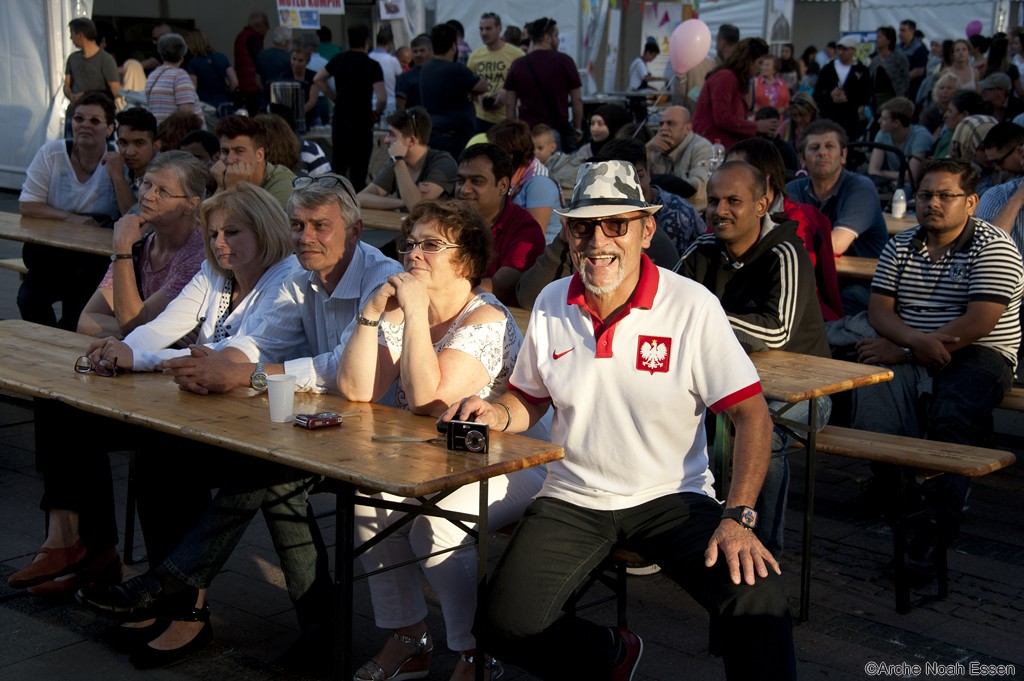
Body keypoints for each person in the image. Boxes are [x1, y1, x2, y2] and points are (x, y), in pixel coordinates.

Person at [443, 159, 797, 680]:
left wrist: (739, 515)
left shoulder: (690, 305)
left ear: (646, 231)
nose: (598, 241)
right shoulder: (552, 301)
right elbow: (530, 397)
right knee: (501, 626)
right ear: (568, 233)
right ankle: (611, 653)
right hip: (573, 496)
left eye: (616, 224)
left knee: (757, 600)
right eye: (583, 227)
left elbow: (753, 416)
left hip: (672, 497)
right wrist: (497, 412)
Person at [337, 199, 546, 681]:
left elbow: (427, 400)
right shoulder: (406, 311)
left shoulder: (486, 319)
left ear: (466, 262)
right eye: (410, 243)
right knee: (371, 497)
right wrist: (371, 312)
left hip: (518, 460)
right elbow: (356, 389)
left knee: (437, 524)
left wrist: (411, 312)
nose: (413, 254)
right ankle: (408, 638)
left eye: (431, 245)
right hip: (441, 459)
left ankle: (476, 653)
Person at [850, 159, 1023, 575]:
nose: (933, 203)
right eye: (926, 195)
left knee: (953, 412)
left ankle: (935, 528)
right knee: (864, 387)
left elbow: (979, 322)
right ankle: (895, 487)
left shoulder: (996, 246)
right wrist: (910, 345)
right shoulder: (900, 244)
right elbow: (880, 311)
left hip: (979, 351)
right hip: (909, 343)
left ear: (971, 202)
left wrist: (908, 349)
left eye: (946, 195)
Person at [677, 161, 831, 558]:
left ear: (761, 205)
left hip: (804, 391)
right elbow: (663, 308)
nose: (720, 210)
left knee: (765, 430)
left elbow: (777, 332)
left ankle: (762, 548)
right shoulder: (701, 249)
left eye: (733, 201)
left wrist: (704, 317)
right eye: (713, 201)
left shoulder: (786, 252)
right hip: (722, 382)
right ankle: (678, 533)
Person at [77, 151, 208, 339]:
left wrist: (122, 249)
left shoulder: (199, 257)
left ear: (191, 204)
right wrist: (151, 332)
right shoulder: (140, 245)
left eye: (163, 192)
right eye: (146, 183)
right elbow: (86, 322)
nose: (147, 196)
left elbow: (131, 325)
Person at [18, 92, 120, 331]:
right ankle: (45, 342)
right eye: (79, 118)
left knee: (77, 316)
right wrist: (70, 218)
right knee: (28, 299)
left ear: (109, 129)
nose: (85, 125)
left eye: (95, 121)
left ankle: (64, 340)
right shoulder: (52, 153)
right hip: (52, 253)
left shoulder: (118, 158)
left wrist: (117, 175)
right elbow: (27, 204)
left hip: (96, 258)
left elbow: (130, 213)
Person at [727, 137, 843, 322]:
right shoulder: (725, 213)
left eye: (737, 171)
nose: (726, 178)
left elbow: (790, 287)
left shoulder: (798, 221)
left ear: (765, 177)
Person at [787, 119, 888, 314]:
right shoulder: (793, 190)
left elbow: (835, 244)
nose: (822, 153)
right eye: (814, 148)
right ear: (802, 159)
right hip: (815, 279)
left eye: (829, 146)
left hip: (861, 283)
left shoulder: (861, 188)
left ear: (843, 155)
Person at [455, 143, 545, 306]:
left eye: (476, 181)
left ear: (503, 186)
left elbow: (501, 287)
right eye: (460, 180)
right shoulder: (447, 221)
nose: (464, 189)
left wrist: (444, 288)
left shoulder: (526, 230)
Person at [315, 24, 386, 192]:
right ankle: (357, 203)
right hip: (362, 124)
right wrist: (377, 113)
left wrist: (333, 96)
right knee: (358, 174)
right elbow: (382, 97)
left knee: (338, 170)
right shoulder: (372, 65)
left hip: (341, 121)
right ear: (367, 41)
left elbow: (318, 78)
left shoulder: (339, 59)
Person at [504, 17, 584, 152]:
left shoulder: (518, 65)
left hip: (527, 133)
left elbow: (509, 104)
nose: (558, 40)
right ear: (547, 38)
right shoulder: (565, 62)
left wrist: (513, 132)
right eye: (556, 36)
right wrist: (577, 127)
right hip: (556, 132)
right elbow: (577, 99)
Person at [357, 107, 458, 212]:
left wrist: (398, 160)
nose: (386, 140)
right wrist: (402, 202)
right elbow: (361, 198)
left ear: (411, 141)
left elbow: (416, 207)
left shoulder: (443, 163)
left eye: (392, 134)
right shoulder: (397, 161)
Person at [486, 121, 564, 245]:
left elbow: (533, 236)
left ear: (510, 154)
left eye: (493, 150)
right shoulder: (513, 173)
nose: (488, 155)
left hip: (540, 252)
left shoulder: (539, 183)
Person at [693, 38, 777, 150]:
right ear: (748, 60)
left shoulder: (736, 80)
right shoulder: (725, 77)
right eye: (759, 62)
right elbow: (722, 117)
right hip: (712, 146)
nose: (761, 68)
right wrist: (756, 126)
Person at [420, 23, 487, 159]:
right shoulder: (456, 70)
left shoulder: (425, 70)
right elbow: (482, 86)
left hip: (433, 133)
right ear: (453, 47)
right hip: (454, 138)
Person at [210, 115, 296, 207]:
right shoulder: (223, 177)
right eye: (225, 151)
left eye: (239, 151)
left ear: (259, 155)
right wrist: (221, 187)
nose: (229, 160)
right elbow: (206, 216)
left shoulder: (283, 186)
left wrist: (234, 188)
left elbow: (240, 216)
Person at [645, 105, 714, 210]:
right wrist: (646, 150)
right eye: (661, 124)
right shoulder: (655, 146)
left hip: (693, 212)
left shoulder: (701, 147)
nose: (663, 128)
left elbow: (699, 188)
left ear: (687, 128)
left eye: (670, 123)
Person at [468, 12, 524, 132]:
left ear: (499, 29)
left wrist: (507, 94)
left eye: (488, 29)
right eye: (481, 29)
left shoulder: (516, 54)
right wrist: (478, 97)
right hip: (481, 119)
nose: (484, 33)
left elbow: (527, 84)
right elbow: (468, 87)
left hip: (507, 118)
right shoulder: (474, 56)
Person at [813, 35, 872, 143]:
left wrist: (848, 97)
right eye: (839, 49)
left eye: (845, 49)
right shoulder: (828, 69)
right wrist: (830, 94)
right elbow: (817, 93)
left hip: (852, 119)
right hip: (830, 117)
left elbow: (866, 94)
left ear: (853, 50)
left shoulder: (861, 70)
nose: (841, 52)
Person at [64, 17, 120, 131]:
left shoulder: (106, 60)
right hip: (75, 114)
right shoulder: (72, 58)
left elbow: (115, 91)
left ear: (79, 35)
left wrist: (86, 95)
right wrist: (70, 95)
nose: (71, 38)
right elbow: (66, 85)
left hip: (97, 117)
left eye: (72, 34)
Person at [104, 107, 161, 215]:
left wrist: (117, 177)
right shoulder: (123, 167)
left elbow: (136, 218)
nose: (129, 152)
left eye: (139, 143)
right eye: (123, 143)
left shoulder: (166, 175)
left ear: (156, 146)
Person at [867, 96, 933, 188]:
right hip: (894, 182)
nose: (879, 121)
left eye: (884, 119)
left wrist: (882, 173)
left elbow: (911, 176)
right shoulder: (882, 134)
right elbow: (872, 170)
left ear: (896, 123)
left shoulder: (920, 136)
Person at [145, 33, 203, 129]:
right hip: (178, 134)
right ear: (183, 53)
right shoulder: (180, 76)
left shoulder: (152, 76)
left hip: (161, 132)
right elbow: (187, 113)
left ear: (161, 53)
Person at [185, 28, 237, 112]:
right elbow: (234, 82)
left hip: (204, 104)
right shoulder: (222, 57)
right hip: (223, 103)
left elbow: (193, 88)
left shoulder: (193, 63)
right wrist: (228, 92)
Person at [233, 12, 269, 115]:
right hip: (253, 85)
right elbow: (260, 61)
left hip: (245, 85)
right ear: (259, 25)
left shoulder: (242, 37)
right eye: (266, 25)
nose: (268, 29)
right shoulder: (252, 39)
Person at [870, 26, 910, 114]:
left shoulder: (898, 58)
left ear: (888, 40)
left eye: (880, 37)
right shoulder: (874, 59)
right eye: (877, 37)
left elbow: (905, 78)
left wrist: (903, 97)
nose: (877, 40)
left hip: (894, 96)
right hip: (877, 98)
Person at [532, 122, 582, 191]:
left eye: (540, 148)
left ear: (553, 147)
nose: (535, 152)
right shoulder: (531, 166)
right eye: (532, 148)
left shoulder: (559, 166)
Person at [369, 25, 403, 115]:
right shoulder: (392, 60)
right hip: (390, 104)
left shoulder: (368, 58)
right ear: (390, 43)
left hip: (370, 105)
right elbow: (401, 79)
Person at [255, 26, 293, 101]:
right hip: (285, 98)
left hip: (266, 97)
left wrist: (265, 91)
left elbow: (257, 79)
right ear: (286, 42)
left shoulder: (262, 55)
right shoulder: (290, 58)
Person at [396, 34, 432, 111]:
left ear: (431, 52)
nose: (418, 54)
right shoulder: (405, 78)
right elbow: (400, 106)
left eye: (422, 51)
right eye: (415, 51)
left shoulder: (439, 73)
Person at [919, 72, 962, 136]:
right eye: (941, 88)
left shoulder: (960, 113)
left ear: (957, 91)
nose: (945, 91)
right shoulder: (929, 115)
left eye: (949, 88)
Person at [899, 20, 930, 102]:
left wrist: (901, 79)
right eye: (900, 30)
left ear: (911, 31)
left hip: (913, 90)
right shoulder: (898, 47)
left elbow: (919, 70)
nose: (900, 33)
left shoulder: (919, 48)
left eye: (903, 31)